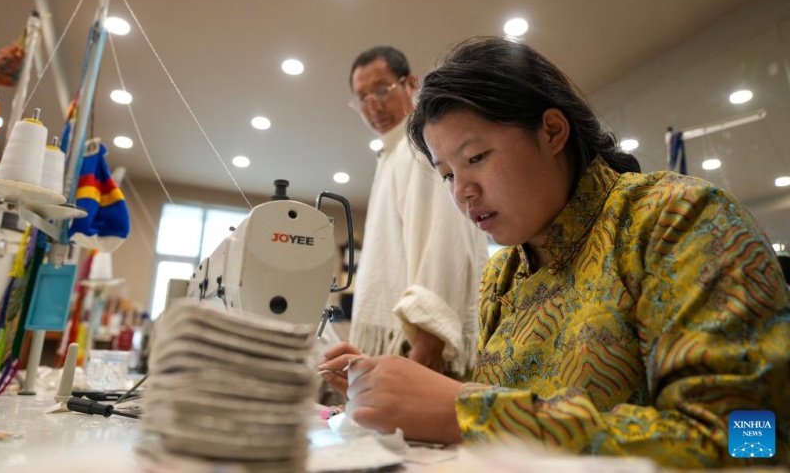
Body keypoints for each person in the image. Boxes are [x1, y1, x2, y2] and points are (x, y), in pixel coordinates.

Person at [320, 36, 790, 468]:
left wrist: (461, 409)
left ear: (551, 131)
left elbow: (755, 443)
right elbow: (505, 409)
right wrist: (402, 393)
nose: (462, 191)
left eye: (476, 158)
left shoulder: (680, 220)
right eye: (447, 174)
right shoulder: (502, 274)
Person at [343, 46, 488, 375]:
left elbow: (445, 242)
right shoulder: (392, 153)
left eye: (382, 89)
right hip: (405, 340)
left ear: (411, 84)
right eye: (362, 98)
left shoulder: (422, 145)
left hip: (426, 343)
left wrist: (429, 341)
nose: (373, 106)